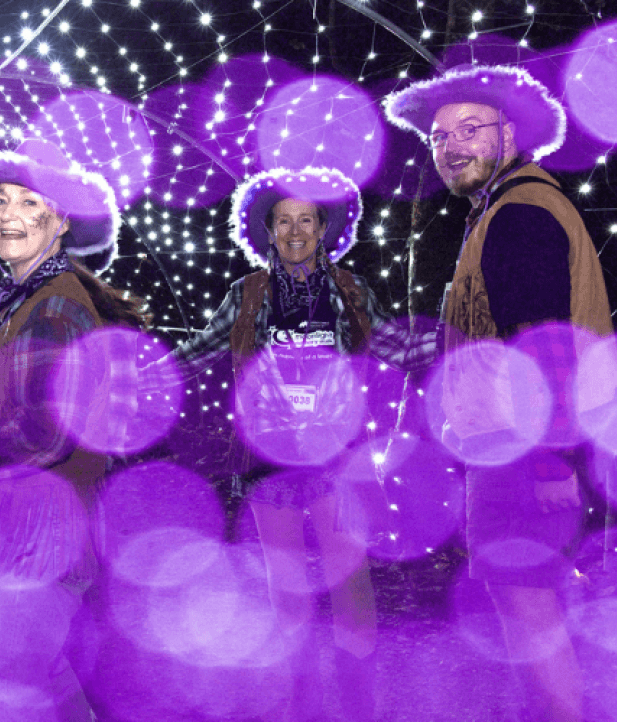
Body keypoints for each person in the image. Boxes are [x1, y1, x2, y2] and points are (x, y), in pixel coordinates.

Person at [145, 167, 441, 722]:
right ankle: (297, 705)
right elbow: (204, 349)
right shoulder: (248, 293)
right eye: (284, 221)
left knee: (350, 584)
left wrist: (445, 340)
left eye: (307, 219)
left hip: (337, 459)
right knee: (287, 594)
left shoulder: (348, 289)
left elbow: (389, 342)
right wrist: (145, 373)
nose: (296, 231)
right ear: (268, 230)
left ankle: (358, 706)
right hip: (269, 462)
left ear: (325, 227)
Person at [385, 64, 613, 722]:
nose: (452, 145)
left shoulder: (520, 213)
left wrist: (548, 464)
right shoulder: (504, 210)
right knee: (536, 628)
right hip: (518, 454)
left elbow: (544, 345)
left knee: (533, 628)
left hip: (525, 460)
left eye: (470, 129)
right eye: (439, 136)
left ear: (510, 133)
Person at [0, 138, 148, 722]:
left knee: (4, 696)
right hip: (25, 525)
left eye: (31, 204)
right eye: (1, 200)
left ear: (59, 224)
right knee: (47, 681)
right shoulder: (20, 300)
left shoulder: (55, 306)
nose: (8, 214)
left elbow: (44, 434)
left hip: (38, 536)